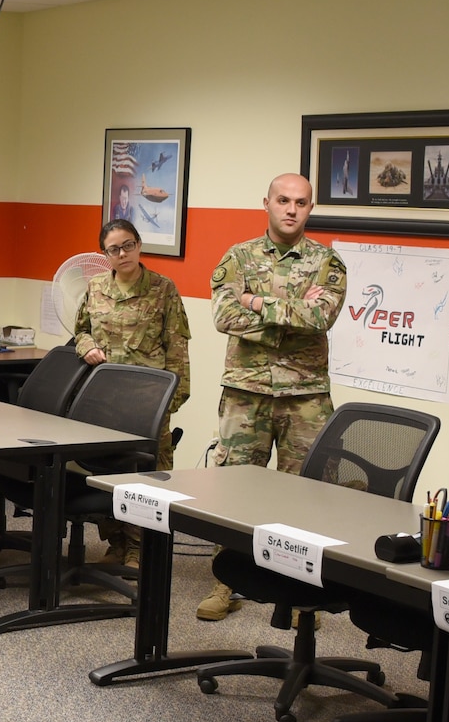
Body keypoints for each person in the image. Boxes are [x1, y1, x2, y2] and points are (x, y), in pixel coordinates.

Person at [198, 173, 346, 621]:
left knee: (306, 494)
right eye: (283, 200)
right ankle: (227, 583)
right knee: (235, 489)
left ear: (310, 208)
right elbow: (224, 315)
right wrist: (291, 311)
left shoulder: (327, 262)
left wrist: (258, 302)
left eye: (300, 202)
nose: (291, 209)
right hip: (247, 391)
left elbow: (322, 316)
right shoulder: (238, 256)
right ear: (266, 202)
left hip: (306, 395)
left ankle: (301, 592)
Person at [73, 217, 191, 567]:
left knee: (146, 474)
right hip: (105, 398)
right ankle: (117, 542)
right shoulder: (95, 287)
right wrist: (86, 347)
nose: (122, 253)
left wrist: (173, 399)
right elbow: (79, 331)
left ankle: (141, 548)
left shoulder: (163, 288)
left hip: (148, 400)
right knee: (108, 470)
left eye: (128, 245)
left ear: (139, 245)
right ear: (104, 254)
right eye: (113, 249)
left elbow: (177, 348)